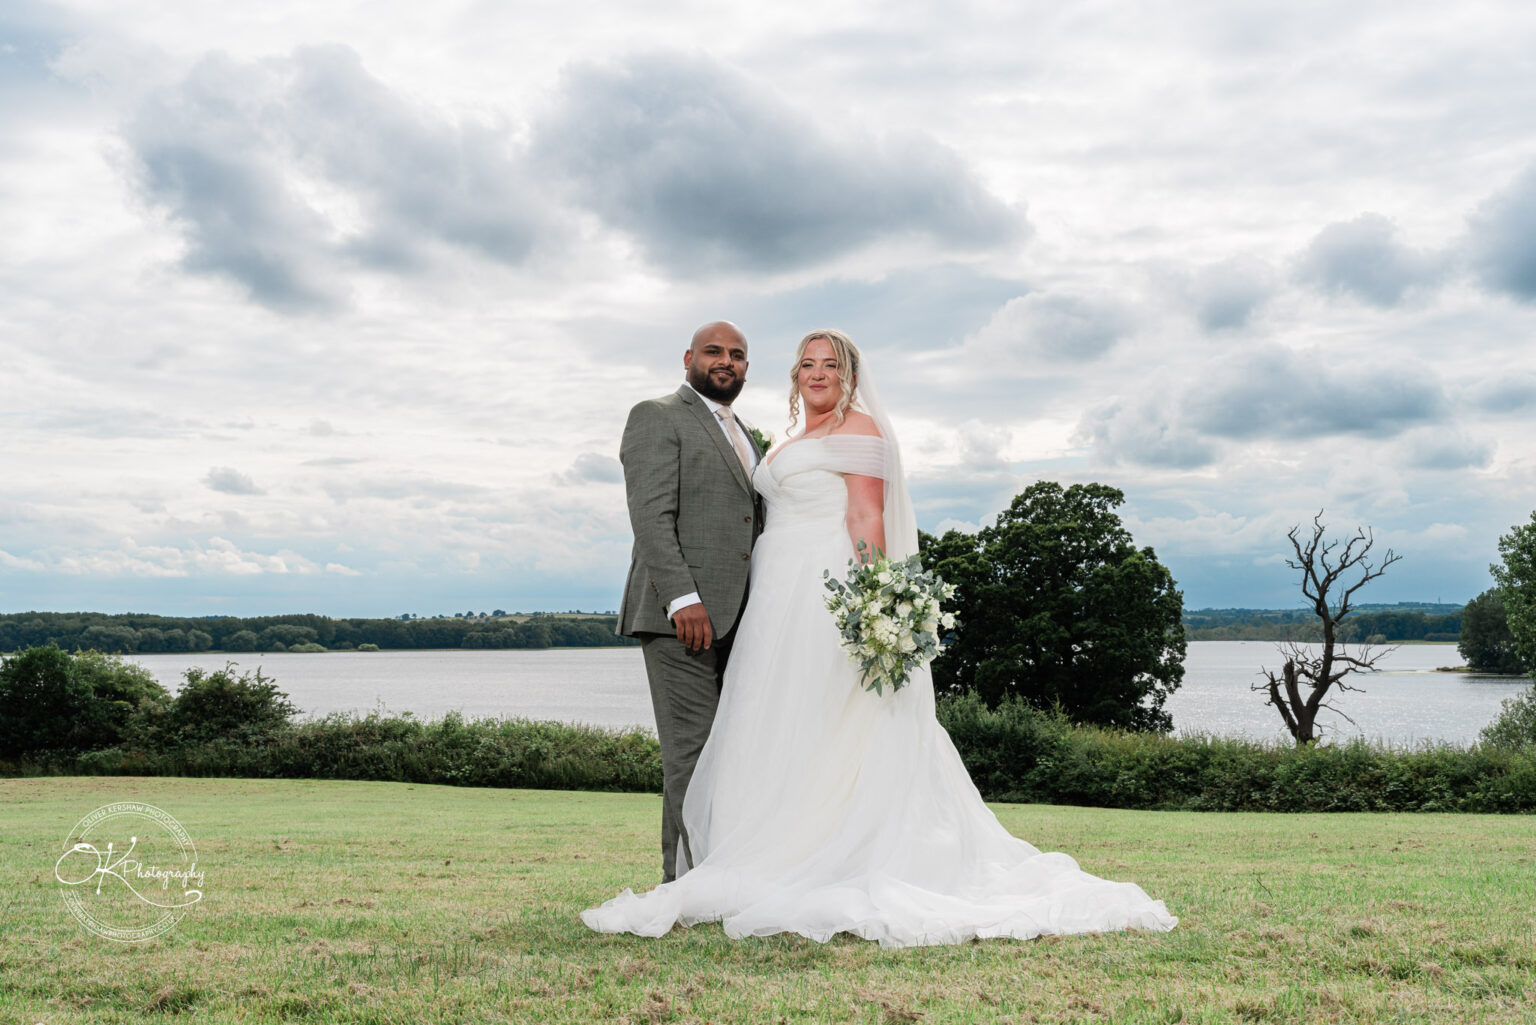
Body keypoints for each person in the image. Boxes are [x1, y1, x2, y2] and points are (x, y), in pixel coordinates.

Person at [589, 329, 1176, 946]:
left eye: (831, 365)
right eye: (807, 364)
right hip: (764, 601)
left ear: (850, 374)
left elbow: (866, 516)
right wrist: (686, 594)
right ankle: (707, 868)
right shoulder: (757, 435)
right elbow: (666, 512)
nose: (817, 373)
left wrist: (878, 602)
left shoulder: (857, 431)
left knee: (820, 728)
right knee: (760, 731)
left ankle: (759, 865)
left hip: (817, 595)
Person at [616, 320, 763, 884]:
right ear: (687, 358)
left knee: (728, 755)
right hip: (680, 618)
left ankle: (721, 872)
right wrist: (683, 599)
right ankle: (683, 885)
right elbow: (651, 517)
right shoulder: (657, 416)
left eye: (738, 355)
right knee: (692, 754)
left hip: (743, 618)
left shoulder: (745, 432)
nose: (726, 361)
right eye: (714, 352)